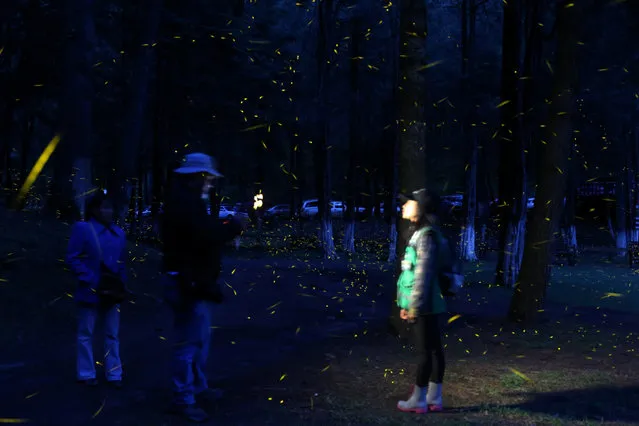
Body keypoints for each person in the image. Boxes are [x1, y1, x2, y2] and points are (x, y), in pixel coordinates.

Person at [161, 152, 244, 422]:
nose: (210, 182)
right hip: (188, 283)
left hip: (193, 281)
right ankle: (182, 399)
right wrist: (232, 227)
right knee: (189, 343)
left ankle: (196, 388)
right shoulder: (185, 205)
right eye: (206, 177)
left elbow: (203, 233)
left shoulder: (189, 203)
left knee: (198, 340)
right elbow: (203, 237)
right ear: (195, 178)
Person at [66, 192, 128, 388]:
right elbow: (72, 257)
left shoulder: (119, 233)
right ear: (93, 209)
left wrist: (122, 285)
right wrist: (90, 279)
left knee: (112, 333)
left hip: (112, 291)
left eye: (110, 207)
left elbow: (122, 263)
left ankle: (114, 373)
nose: (107, 211)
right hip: (90, 289)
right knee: (86, 332)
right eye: (103, 207)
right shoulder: (83, 229)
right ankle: (86, 373)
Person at [396, 188, 446, 414]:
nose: (404, 205)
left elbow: (422, 275)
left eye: (409, 202)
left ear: (421, 208)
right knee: (434, 350)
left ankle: (418, 399)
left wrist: (413, 305)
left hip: (425, 304)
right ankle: (434, 397)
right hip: (430, 302)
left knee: (425, 352)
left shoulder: (425, 236)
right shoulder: (424, 233)